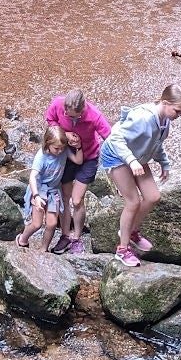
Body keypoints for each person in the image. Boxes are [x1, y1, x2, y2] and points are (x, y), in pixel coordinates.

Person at [99, 84, 181, 266]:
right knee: (133, 202)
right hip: (117, 155)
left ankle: (132, 231)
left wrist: (164, 163)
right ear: (165, 102)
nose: (179, 115)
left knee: (153, 196)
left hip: (138, 156)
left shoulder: (165, 122)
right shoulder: (143, 118)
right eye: (177, 111)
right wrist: (131, 161)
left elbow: (156, 144)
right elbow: (115, 137)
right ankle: (122, 250)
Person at [44, 88, 113, 254]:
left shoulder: (94, 115)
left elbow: (110, 137)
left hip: (88, 157)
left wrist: (117, 163)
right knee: (64, 197)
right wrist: (65, 133)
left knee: (76, 200)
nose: (73, 118)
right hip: (66, 155)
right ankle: (65, 235)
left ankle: (77, 237)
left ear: (83, 108)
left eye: (77, 116)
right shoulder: (57, 104)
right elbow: (50, 120)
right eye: (69, 116)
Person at [16, 124, 81, 251]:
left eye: (62, 148)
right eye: (56, 148)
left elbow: (78, 161)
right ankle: (22, 238)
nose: (60, 151)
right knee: (37, 224)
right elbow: (33, 177)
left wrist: (78, 147)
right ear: (47, 144)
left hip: (54, 191)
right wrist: (36, 196)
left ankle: (43, 249)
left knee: (52, 224)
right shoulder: (41, 156)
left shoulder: (64, 150)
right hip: (39, 190)